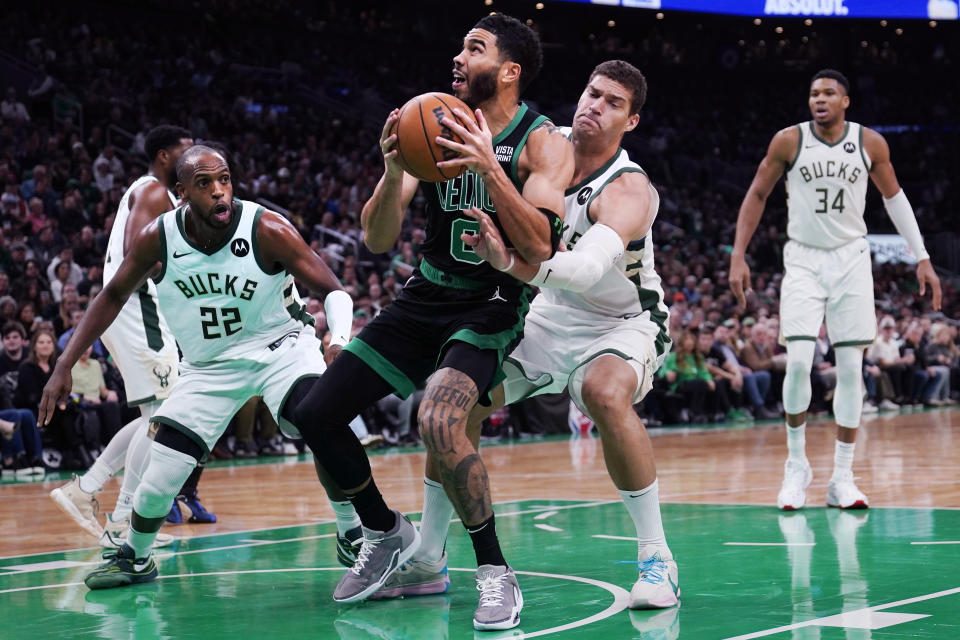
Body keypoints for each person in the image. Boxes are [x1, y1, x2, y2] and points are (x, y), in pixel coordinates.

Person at [291, 13, 573, 631]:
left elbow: (539, 248)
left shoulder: (544, 141)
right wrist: (394, 171)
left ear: (509, 71)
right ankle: (385, 531)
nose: (457, 56)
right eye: (460, 43)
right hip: (424, 293)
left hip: (492, 301)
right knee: (312, 413)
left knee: (439, 418)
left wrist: (489, 166)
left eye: (473, 48)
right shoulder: (436, 120)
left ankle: (496, 572)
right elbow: (377, 237)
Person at [379, 60, 679, 612]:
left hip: (623, 320)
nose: (595, 106)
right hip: (543, 314)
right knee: (451, 402)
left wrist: (512, 265)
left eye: (614, 103)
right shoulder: (544, 146)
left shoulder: (629, 187)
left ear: (631, 122)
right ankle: (427, 553)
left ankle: (657, 557)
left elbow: (586, 272)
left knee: (605, 394)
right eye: (592, 93)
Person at [40, 145, 355, 590]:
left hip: (281, 347)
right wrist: (64, 363)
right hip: (209, 367)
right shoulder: (158, 237)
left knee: (317, 418)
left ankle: (351, 531)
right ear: (181, 192)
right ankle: (135, 558)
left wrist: (337, 338)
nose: (220, 193)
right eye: (205, 184)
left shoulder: (266, 227)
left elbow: (333, 289)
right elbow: (111, 296)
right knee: (159, 477)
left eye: (224, 180)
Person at [729, 68, 942, 511]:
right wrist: (738, 255)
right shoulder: (789, 140)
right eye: (813, 93)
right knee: (799, 363)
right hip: (804, 258)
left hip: (850, 258)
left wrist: (921, 255)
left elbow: (895, 199)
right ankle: (795, 467)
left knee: (850, 369)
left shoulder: (870, 143)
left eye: (828, 93)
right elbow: (756, 194)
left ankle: (842, 477)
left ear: (846, 101)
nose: (819, 99)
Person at [49, 126, 207, 548]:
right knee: (165, 417)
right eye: (184, 151)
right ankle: (119, 518)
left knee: (153, 418)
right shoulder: (155, 190)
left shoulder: (154, 192)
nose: (192, 158)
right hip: (141, 309)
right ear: (161, 157)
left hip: (134, 311)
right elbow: (138, 252)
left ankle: (87, 490)